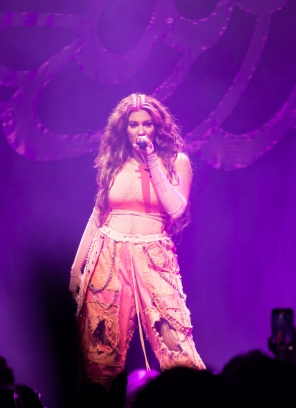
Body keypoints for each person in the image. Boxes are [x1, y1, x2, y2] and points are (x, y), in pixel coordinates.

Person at [70, 93, 205, 387]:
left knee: (176, 345)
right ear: (124, 128)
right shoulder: (113, 162)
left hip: (154, 258)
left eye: (147, 124)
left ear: (157, 128)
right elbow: (97, 216)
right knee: (99, 351)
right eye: (133, 125)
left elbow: (176, 208)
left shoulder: (175, 162)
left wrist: (152, 159)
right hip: (107, 258)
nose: (140, 131)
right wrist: (75, 269)